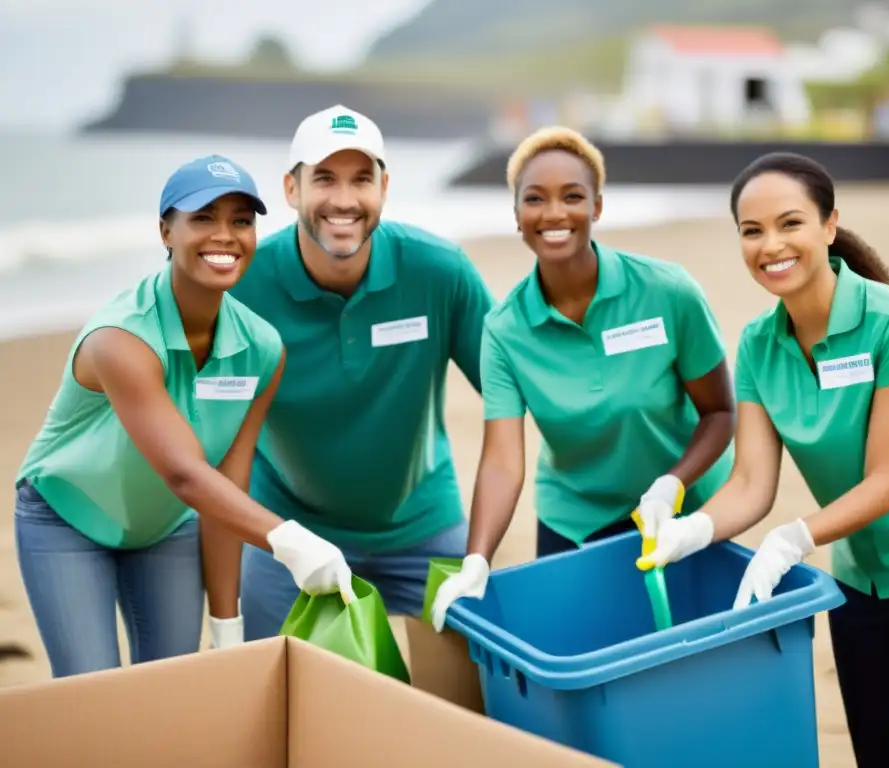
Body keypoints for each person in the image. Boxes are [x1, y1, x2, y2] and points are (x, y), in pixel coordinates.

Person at [638, 151, 889, 767]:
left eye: (791, 223)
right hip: (864, 574)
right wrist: (689, 532)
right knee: (876, 754)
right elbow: (751, 483)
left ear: (829, 225)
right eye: (752, 230)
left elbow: (888, 483)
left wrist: (792, 540)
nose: (771, 245)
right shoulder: (759, 344)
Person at [14, 155, 357, 678]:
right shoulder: (121, 337)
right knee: (94, 696)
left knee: (170, 689)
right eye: (202, 218)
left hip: (165, 526)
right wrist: (291, 540)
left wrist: (227, 623)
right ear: (165, 231)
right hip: (67, 518)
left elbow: (228, 485)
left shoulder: (262, 347)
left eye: (241, 220)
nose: (225, 235)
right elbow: (184, 472)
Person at [429, 126, 737, 631]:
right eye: (535, 199)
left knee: (690, 654)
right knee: (588, 651)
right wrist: (478, 560)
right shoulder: (504, 330)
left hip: (683, 508)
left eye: (572, 196)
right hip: (575, 520)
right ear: (516, 215)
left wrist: (671, 485)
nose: (554, 213)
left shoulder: (668, 292)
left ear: (597, 207)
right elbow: (504, 460)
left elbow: (720, 413)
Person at [227, 105, 496, 642]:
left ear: (385, 187)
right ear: (291, 188)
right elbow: (201, 429)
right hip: (291, 529)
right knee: (273, 698)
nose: (344, 200)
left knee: (471, 688)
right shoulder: (243, 285)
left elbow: (515, 390)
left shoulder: (439, 272)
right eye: (324, 178)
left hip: (424, 520)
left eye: (361, 179)